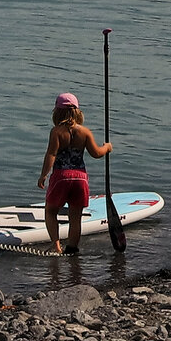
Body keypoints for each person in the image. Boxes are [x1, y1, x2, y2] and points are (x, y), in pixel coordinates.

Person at [36, 92, 112, 255]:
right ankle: (72, 248)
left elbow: (51, 154)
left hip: (61, 177)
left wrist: (44, 175)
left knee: (51, 211)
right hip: (80, 178)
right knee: (75, 217)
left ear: (57, 113)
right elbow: (96, 153)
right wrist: (107, 147)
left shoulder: (56, 132)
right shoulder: (85, 132)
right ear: (78, 112)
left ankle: (56, 246)